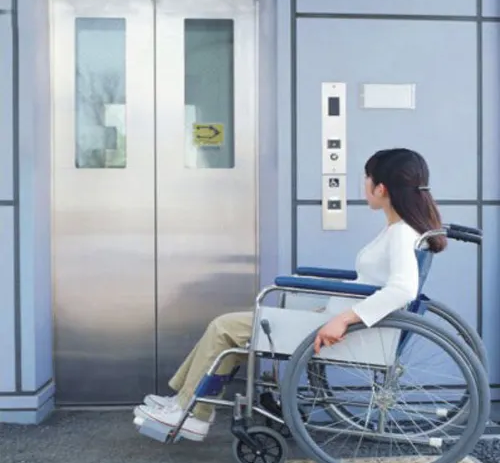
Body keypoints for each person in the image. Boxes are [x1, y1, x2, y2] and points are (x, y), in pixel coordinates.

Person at [133, 147, 447, 442]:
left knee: (225, 327)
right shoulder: (399, 230)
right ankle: (183, 400)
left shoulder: (402, 233)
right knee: (239, 332)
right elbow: (374, 282)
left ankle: (194, 412)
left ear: (381, 189)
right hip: (334, 319)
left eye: (367, 178)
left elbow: (402, 289)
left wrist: (344, 319)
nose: (363, 184)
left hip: (342, 328)